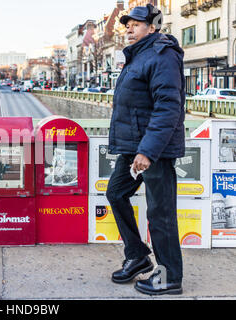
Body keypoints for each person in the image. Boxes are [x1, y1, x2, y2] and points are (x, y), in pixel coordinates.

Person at [106, 4, 185, 295]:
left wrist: (148, 152)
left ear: (152, 27)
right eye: (127, 24)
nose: (129, 28)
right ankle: (138, 256)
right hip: (133, 146)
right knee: (115, 193)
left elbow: (168, 108)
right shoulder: (138, 56)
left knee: (160, 213)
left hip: (155, 150)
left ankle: (169, 277)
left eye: (136, 24)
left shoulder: (162, 56)